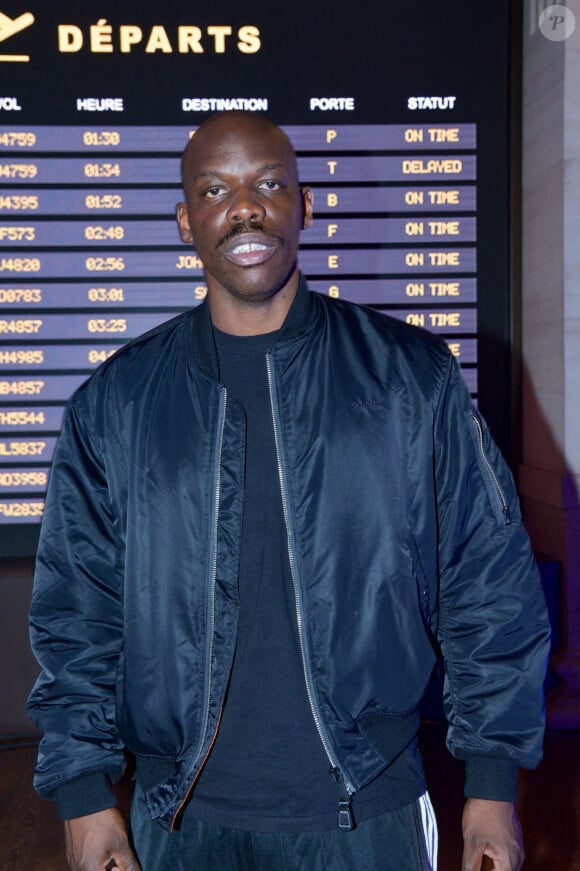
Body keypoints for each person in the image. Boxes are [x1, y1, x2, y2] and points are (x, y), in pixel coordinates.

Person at [27, 111, 550, 871]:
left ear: (304, 205)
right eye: (215, 189)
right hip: (178, 821)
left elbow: (488, 584)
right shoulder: (117, 403)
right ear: (185, 220)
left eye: (269, 183)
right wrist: (83, 794)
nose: (245, 207)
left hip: (365, 815)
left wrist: (492, 788)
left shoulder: (411, 379)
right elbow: (78, 614)